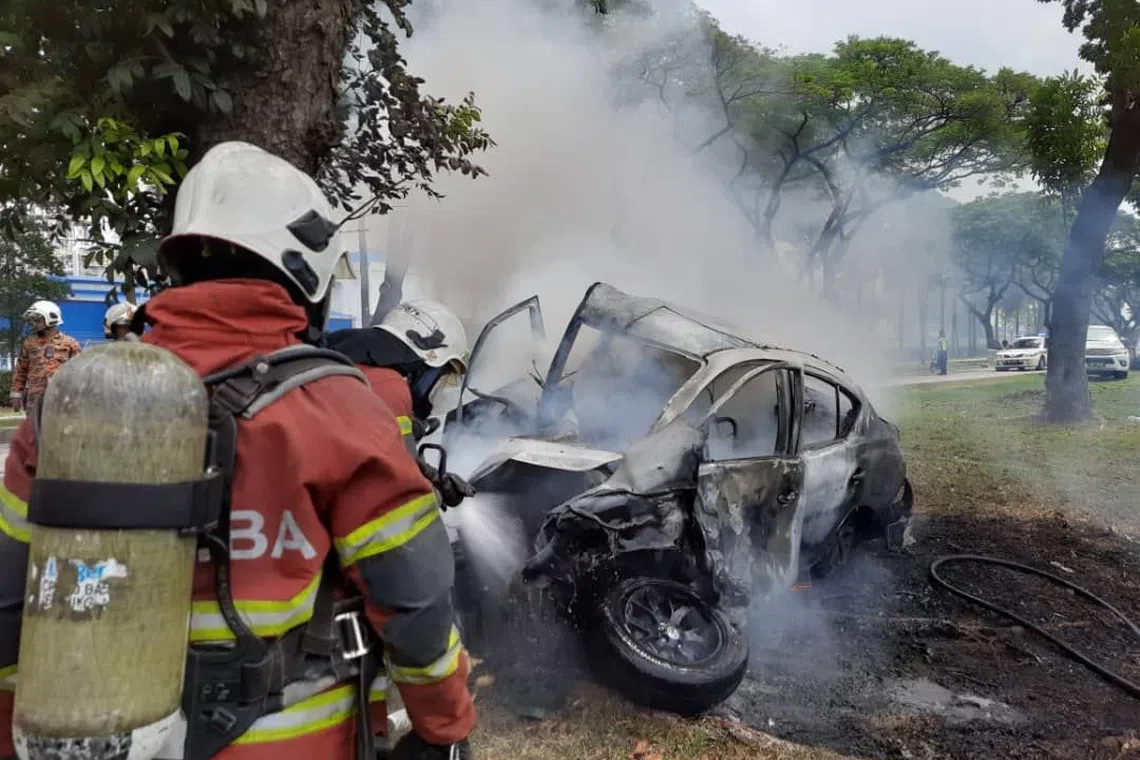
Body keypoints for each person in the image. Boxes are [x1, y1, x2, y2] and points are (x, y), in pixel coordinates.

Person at [0, 141, 475, 760]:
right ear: (307, 274)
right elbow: (415, 598)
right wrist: (444, 729)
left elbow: (12, 596)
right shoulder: (336, 406)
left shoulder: (76, 403)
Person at [325, 301, 474, 508]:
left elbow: (384, 458)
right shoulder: (389, 388)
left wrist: (432, 476)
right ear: (428, 361)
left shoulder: (343, 360)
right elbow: (391, 491)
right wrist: (434, 494)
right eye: (442, 374)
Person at [9, 300, 82, 413]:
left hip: (61, 399)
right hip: (34, 400)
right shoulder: (29, 343)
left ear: (50, 318)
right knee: (34, 430)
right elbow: (21, 370)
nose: (34, 323)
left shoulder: (70, 344)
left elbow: (79, 373)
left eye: (38, 320)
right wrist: (16, 394)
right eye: (34, 320)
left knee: (57, 430)